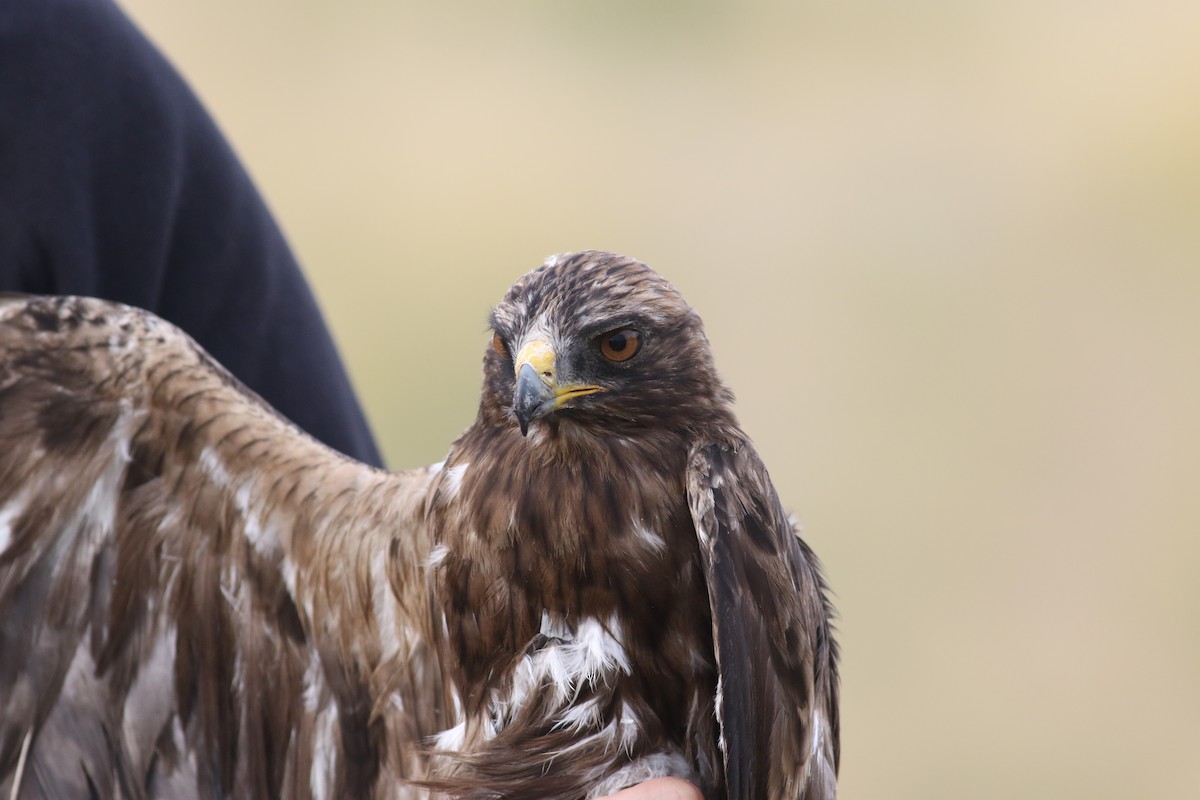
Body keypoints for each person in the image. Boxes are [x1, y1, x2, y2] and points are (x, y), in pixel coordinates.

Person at [0, 2, 703, 798]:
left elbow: (380, 695)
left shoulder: (52, 81)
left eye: (609, 349)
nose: (535, 389)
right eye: (516, 360)